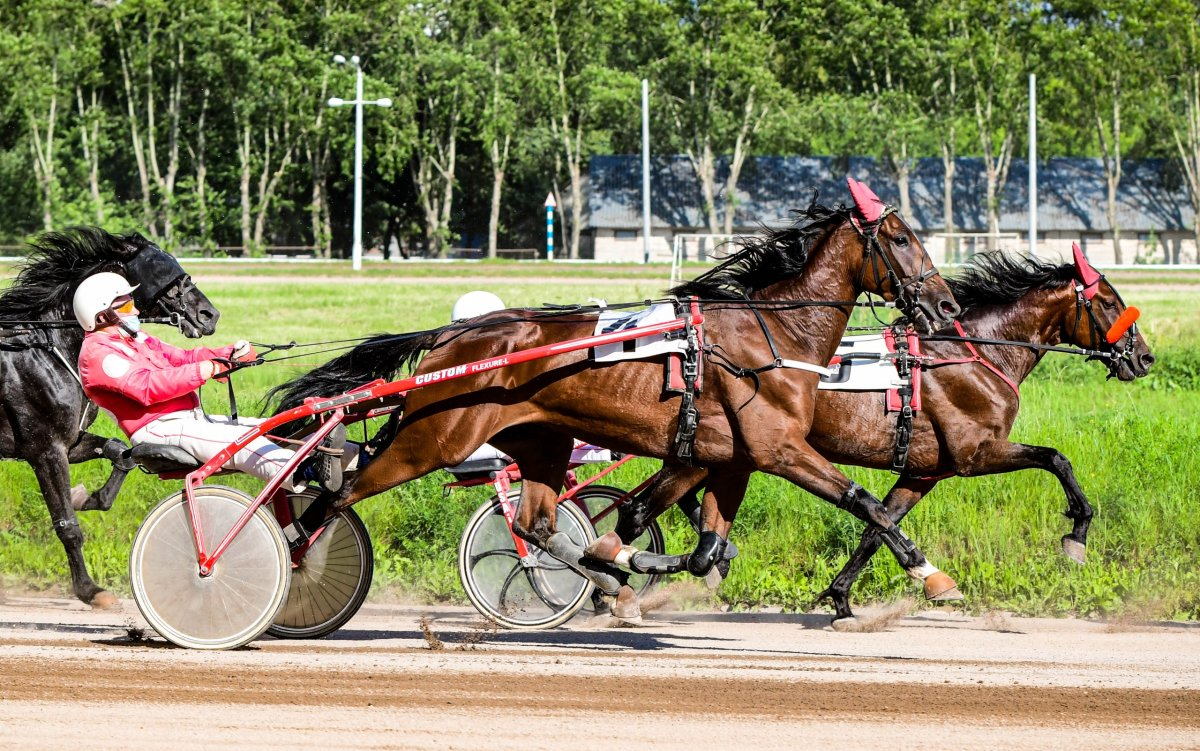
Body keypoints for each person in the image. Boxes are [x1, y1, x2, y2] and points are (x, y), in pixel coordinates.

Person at [73, 271, 343, 492]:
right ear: (102, 315)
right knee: (243, 440)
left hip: (188, 420)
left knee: (279, 427)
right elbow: (147, 387)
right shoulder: (98, 354)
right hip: (157, 428)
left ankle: (356, 459)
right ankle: (307, 470)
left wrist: (228, 356)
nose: (137, 309)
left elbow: (183, 357)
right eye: (128, 304)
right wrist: (204, 370)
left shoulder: (136, 339)